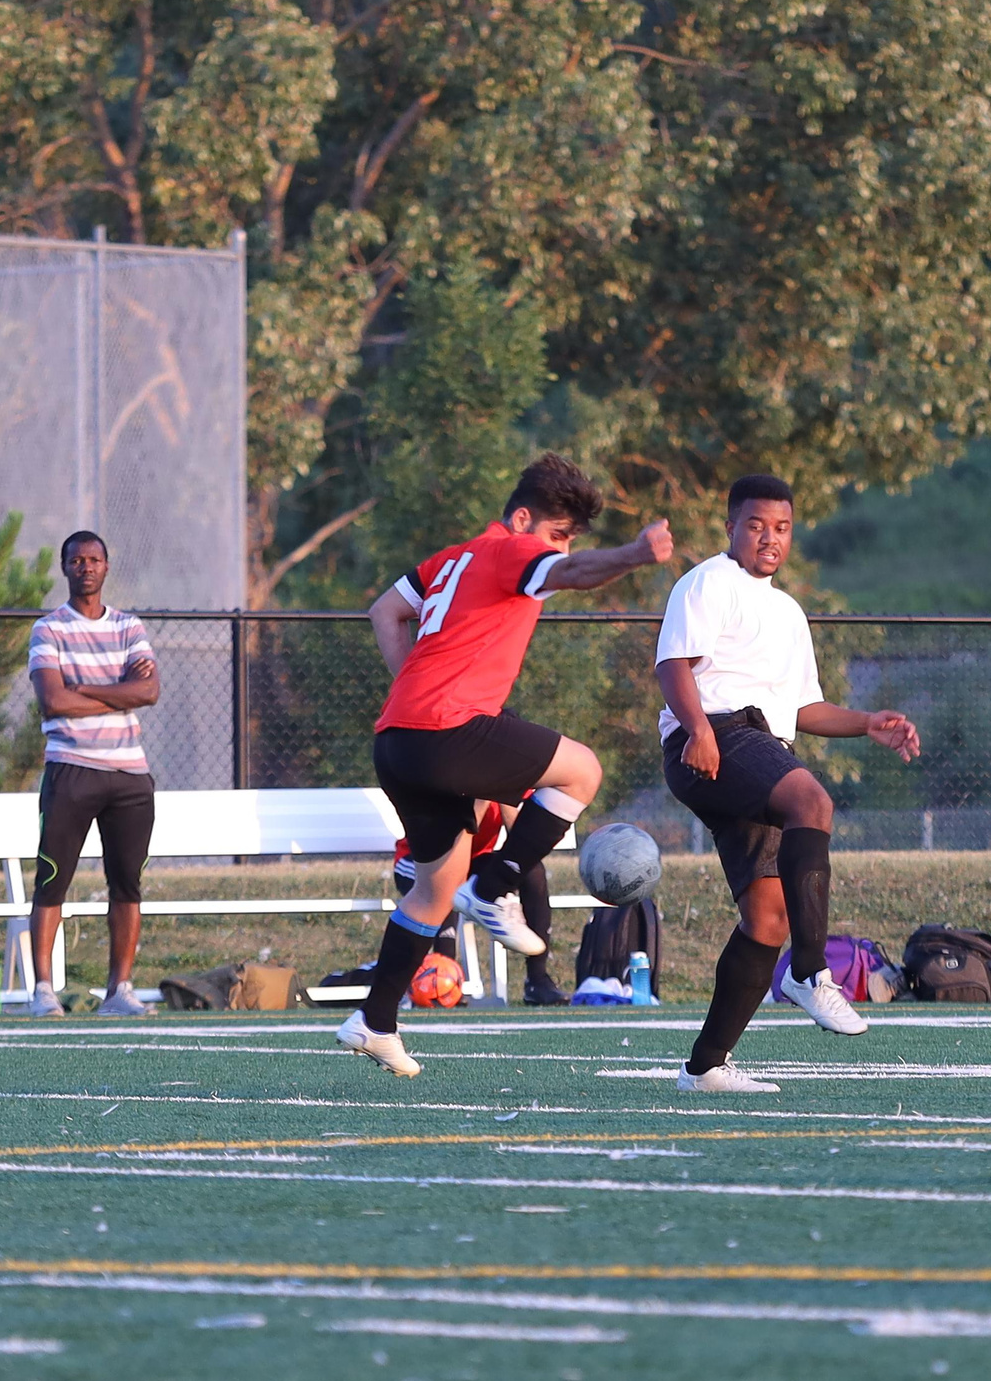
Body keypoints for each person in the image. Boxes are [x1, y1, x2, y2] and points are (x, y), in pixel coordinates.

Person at [337, 453, 672, 1075]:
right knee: (582, 772)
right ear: (522, 519)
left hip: (398, 740)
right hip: (446, 732)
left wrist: (416, 687)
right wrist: (633, 553)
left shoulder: (452, 557)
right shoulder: (509, 551)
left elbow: (385, 610)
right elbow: (571, 575)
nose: (561, 550)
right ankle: (493, 889)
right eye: (556, 535)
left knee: (434, 888)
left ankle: (374, 1020)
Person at [655, 474, 921, 1092]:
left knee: (767, 918)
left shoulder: (788, 611)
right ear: (730, 527)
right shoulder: (707, 582)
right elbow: (673, 666)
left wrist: (866, 724)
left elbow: (803, 710)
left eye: (781, 528)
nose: (769, 538)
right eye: (755, 525)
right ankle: (809, 972)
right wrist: (697, 729)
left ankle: (706, 1067)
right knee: (812, 799)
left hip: (758, 750)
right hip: (715, 738)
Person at [25, 531, 159, 1017]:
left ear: (107, 567)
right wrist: (114, 687)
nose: (86, 566)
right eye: (76, 560)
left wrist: (83, 684)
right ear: (64, 568)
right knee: (52, 878)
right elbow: (53, 700)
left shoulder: (129, 627)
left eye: (94, 559)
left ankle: (119, 991)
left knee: (127, 883)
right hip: (70, 771)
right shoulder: (49, 630)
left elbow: (148, 691)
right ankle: (43, 991)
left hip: (129, 775)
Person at [391, 799, 566, 1005]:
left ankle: (537, 981)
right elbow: (455, 837)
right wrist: (481, 796)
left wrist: (506, 796)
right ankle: (442, 984)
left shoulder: (509, 773)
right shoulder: (460, 772)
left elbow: (521, 845)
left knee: (532, 870)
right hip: (423, 859)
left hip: (472, 860)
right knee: (448, 881)